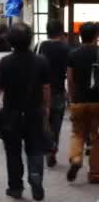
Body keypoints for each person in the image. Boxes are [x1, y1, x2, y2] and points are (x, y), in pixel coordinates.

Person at [0, 23, 50, 201]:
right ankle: (36, 176)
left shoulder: (5, 62)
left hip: (11, 113)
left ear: (11, 41)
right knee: (35, 147)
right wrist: (46, 108)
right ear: (30, 40)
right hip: (34, 112)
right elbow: (46, 88)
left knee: (13, 151)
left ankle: (15, 187)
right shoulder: (41, 61)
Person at [65, 22, 99, 184]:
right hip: (97, 102)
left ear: (80, 36)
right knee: (97, 137)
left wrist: (72, 98)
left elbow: (70, 80)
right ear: (96, 36)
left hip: (79, 100)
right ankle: (95, 173)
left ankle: (76, 159)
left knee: (77, 133)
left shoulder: (73, 54)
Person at [36, 20, 70, 168]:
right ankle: (52, 150)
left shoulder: (42, 46)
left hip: (42, 90)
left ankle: (46, 148)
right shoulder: (66, 48)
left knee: (44, 121)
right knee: (56, 123)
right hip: (58, 91)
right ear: (61, 31)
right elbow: (69, 72)